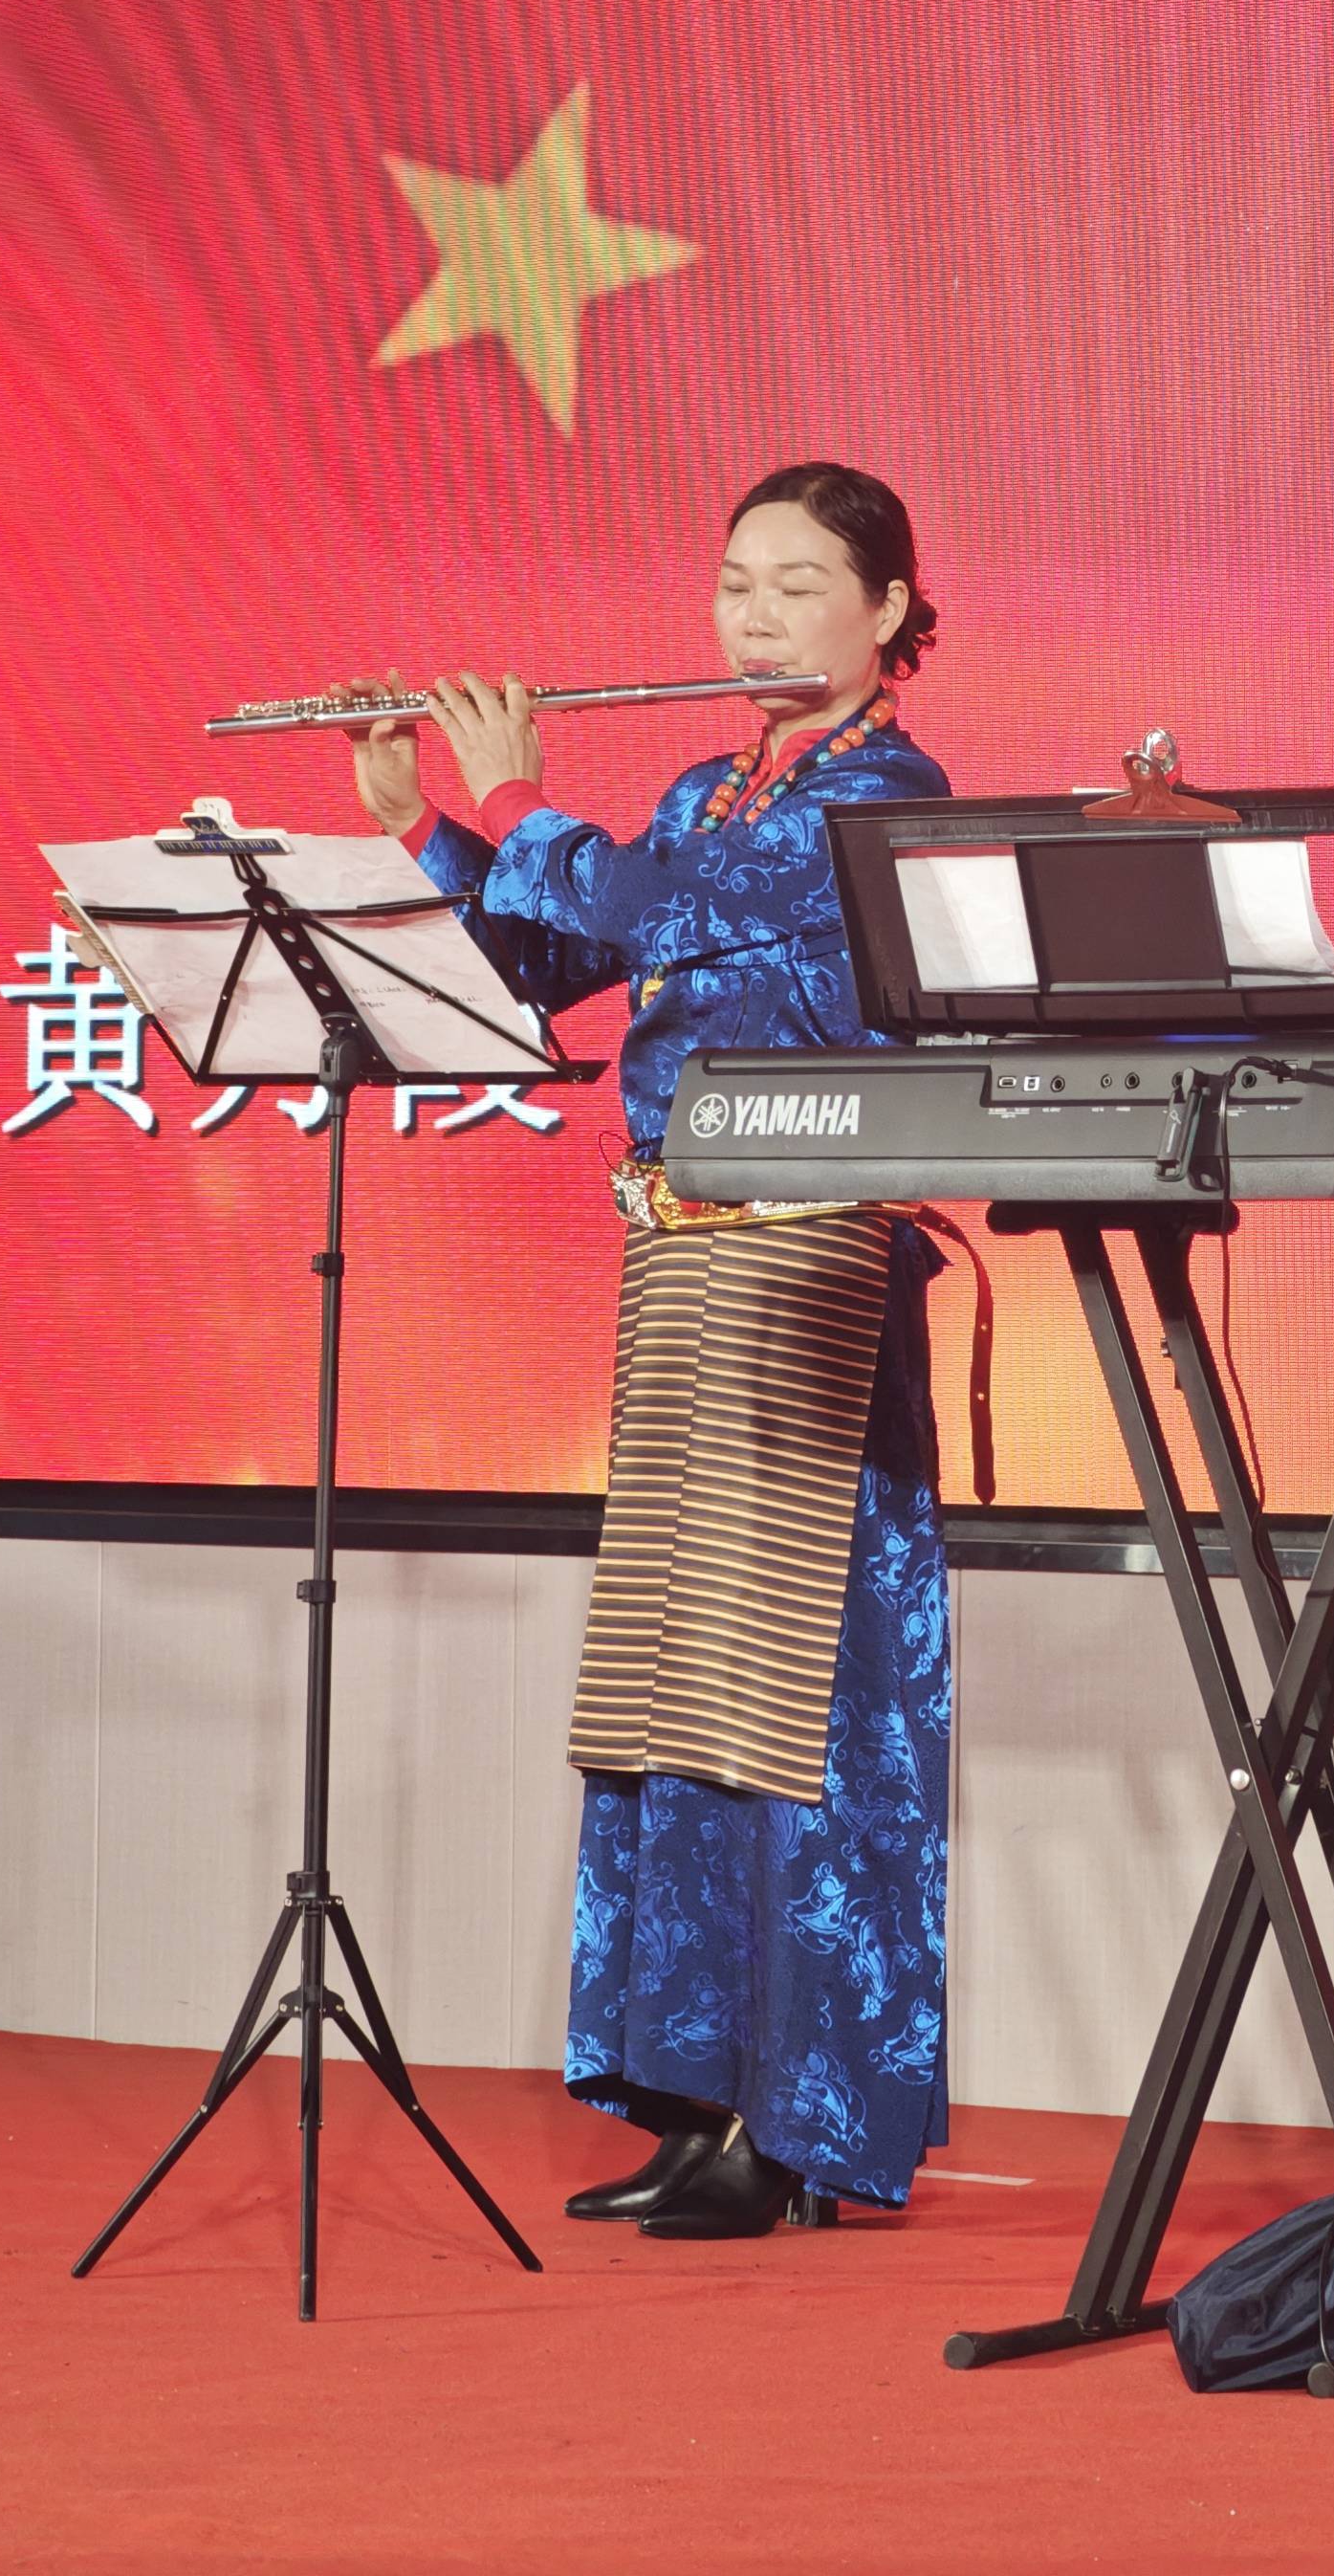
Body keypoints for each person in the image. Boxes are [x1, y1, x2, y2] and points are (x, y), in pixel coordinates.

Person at [336, 461, 960, 2239]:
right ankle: (698, 2094)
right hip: (681, 1270)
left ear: (890, 612)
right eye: (735, 584)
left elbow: (650, 901)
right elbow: (548, 962)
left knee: (793, 1691)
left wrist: (516, 790)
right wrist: (423, 828)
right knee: (680, 1681)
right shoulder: (706, 787)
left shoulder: (890, 795)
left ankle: (804, 2119)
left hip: (811, 1268)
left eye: (798, 586)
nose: (754, 619)